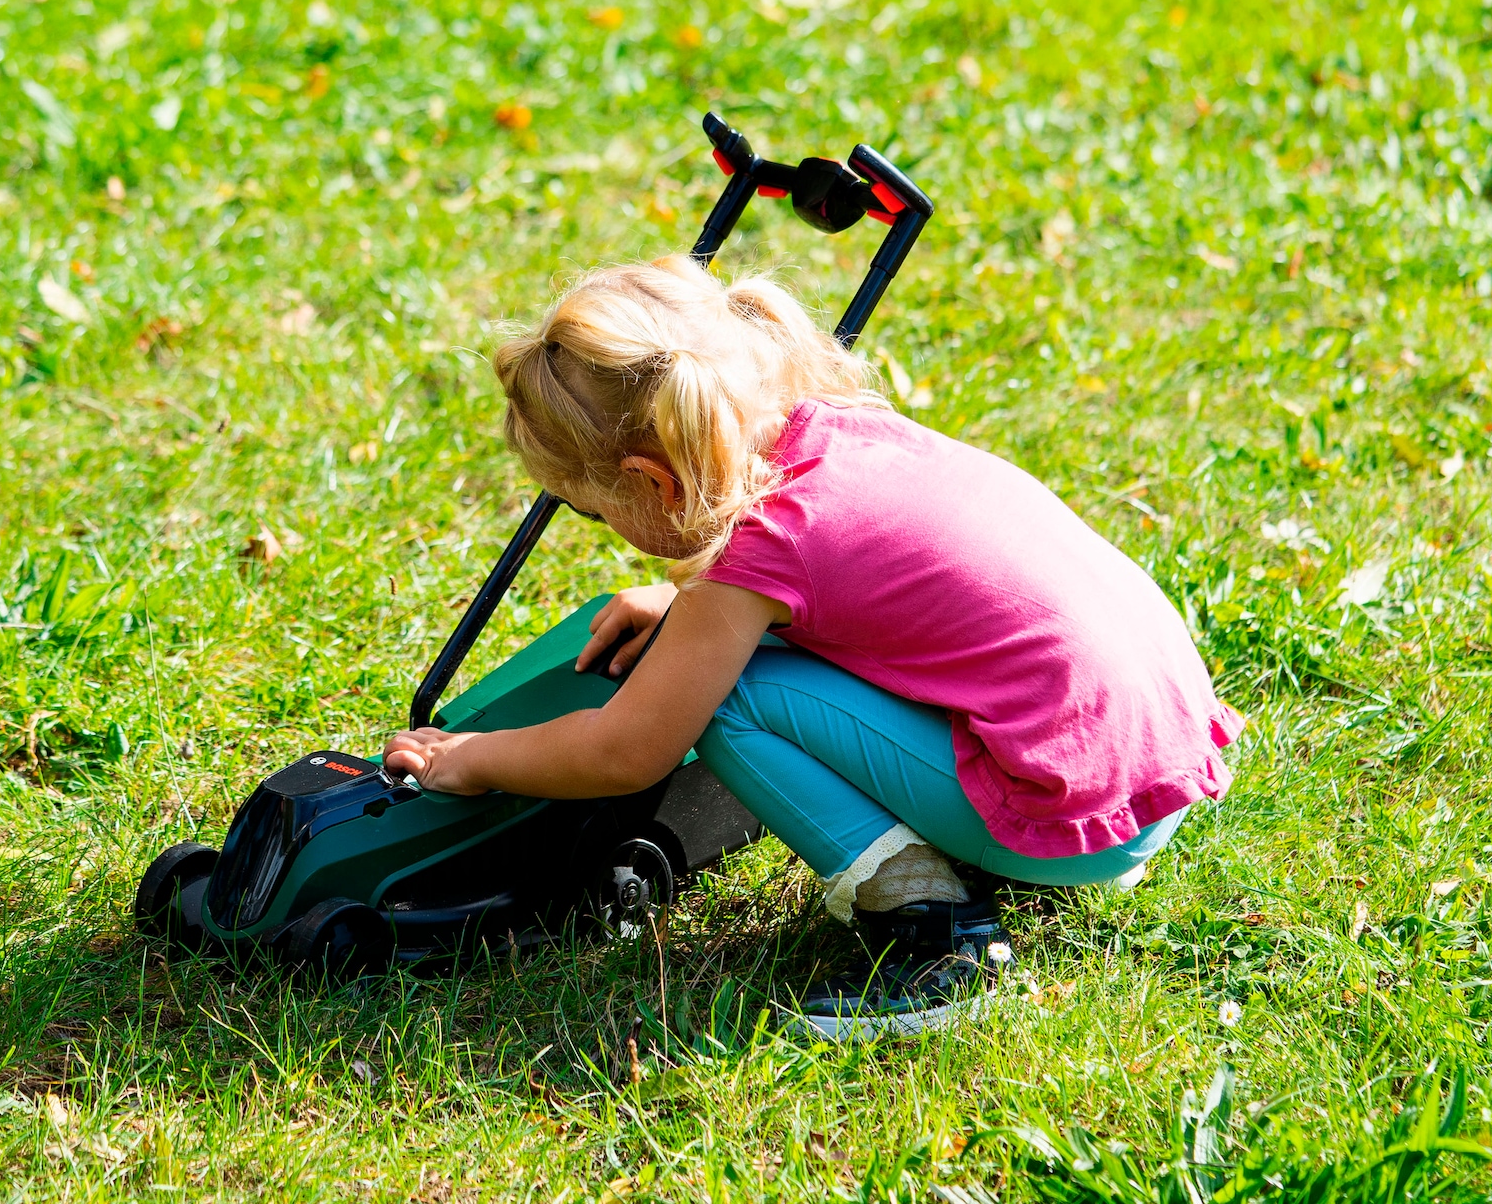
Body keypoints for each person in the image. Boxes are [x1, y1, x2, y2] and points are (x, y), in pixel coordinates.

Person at [383, 256, 1242, 1035]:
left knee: (735, 696)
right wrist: (691, 602)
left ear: (652, 480)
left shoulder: (760, 553)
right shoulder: (840, 432)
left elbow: (627, 751)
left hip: (1081, 819)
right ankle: (1012, 845)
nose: (602, 523)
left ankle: (938, 936)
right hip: (1154, 763)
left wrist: (479, 759)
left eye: (594, 507)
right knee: (746, 658)